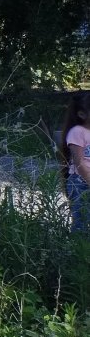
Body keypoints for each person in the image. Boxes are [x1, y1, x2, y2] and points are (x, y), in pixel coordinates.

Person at [61, 91, 90, 234]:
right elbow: (79, 163)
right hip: (80, 182)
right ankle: (78, 252)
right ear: (82, 114)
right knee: (82, 222)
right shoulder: (77, 132)